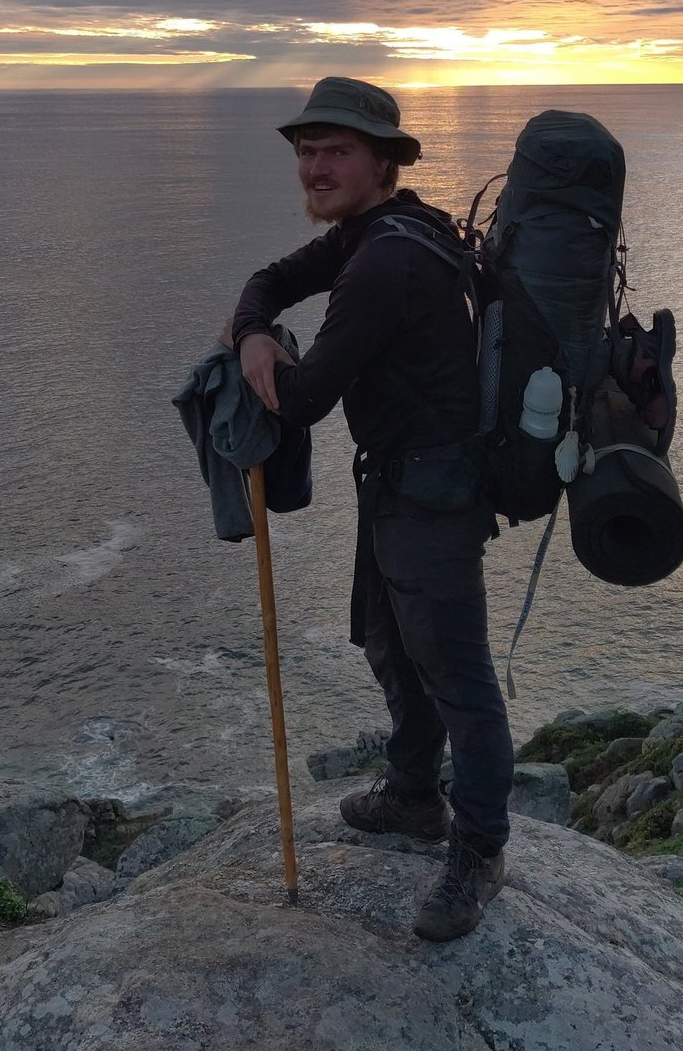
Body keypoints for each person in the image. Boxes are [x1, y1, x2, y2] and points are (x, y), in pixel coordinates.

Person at [223, 75, 514, 942]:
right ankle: (416, 795)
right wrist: (252, 331)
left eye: (336, 151)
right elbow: (269, 279)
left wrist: (265, 357)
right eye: (306, 151)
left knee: (458, 677)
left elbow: (304, 397)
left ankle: (482, 852)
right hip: (397, 482)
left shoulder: (385, 259)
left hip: (433, 492)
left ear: (383, 162)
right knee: (389, 645)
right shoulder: (379, 231)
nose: (314, 167)